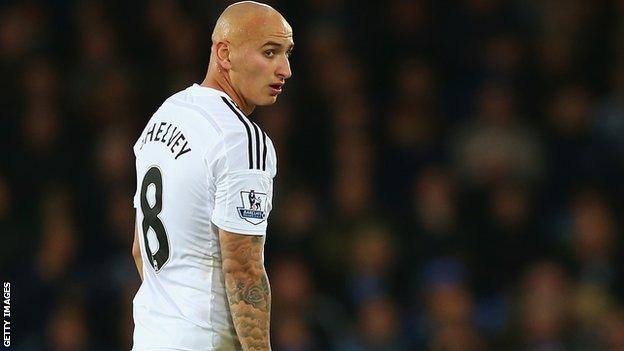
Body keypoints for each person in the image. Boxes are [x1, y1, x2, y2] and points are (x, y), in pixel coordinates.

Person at [130, 2, 293, 350]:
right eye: (270, 52)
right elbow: (244, 271)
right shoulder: (240, 139)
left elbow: (139, 251)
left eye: (286, 53)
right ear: (224, 53)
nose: (285, 69)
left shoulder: (165, 115)